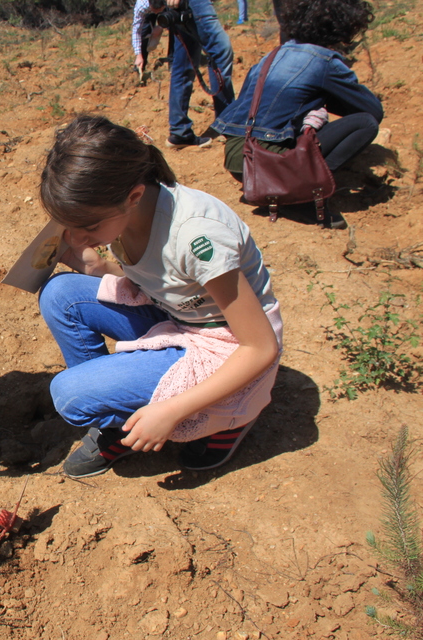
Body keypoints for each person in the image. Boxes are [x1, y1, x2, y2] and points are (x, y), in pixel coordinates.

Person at [38, 116, 282, 479]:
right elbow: (162, 277)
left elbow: (260, 347)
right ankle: (121, 421)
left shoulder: (198, 239)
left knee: (70, 395)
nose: (75, 238)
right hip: (181, 317)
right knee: (60, 293)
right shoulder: (130, 212)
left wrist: (172, 411)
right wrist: (98, 265)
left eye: (88, 227)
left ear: (133, 196)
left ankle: (226, 420)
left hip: (225, 347)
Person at [211, 0, 382, 229]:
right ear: (341, 28)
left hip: (238, 158)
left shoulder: (272, 55)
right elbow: (372, 110)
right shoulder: (324, 61)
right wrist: (327, 98)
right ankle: (303, 196)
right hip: (268, 160)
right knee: (366, 124)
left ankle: (281, 191)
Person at [133, 0, 235, 148]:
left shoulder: (144, 4)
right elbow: (137, 26)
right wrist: (139, 54)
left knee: (184, 62)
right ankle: (229, 124)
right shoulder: (141, 6)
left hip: (181, 5)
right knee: (219, 50)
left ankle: (180, 132)